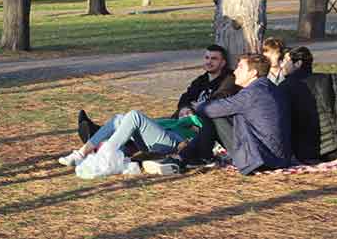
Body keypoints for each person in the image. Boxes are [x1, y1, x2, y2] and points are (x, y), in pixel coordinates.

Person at [76, 45, 241, 163]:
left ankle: (102, 148)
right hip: (177, 126)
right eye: (207, 57)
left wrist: (196, 109)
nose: (209, 62)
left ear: (223, 62)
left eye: (214, 59)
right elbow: (185, 97)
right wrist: (185, 108)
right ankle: (95, 135)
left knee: (134, 118)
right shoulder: (201, 80)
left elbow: (220, 98)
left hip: (183, 137)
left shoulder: (228, 79)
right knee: (123, 119)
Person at [191, 54, 292, 175]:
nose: (235, 72)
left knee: (211, 115)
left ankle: (198, 157)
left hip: (261, 160)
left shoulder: (251, 93)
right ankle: (192, 155)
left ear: (253, 73)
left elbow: (210, 109)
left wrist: (195, 106)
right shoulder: (270, 87)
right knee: (220, 114)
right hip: (280, 157)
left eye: (240, 67)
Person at [59, 108, 202, 167]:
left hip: (174, 142)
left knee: (134, 115)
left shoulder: (193, 123)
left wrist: (190, 117)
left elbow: (197, 122)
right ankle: (81, 153)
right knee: (119, 118)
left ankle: (103, 154)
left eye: (188, 112)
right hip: (155, 140)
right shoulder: (171, 121)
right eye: (182, 113)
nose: (185, 115)